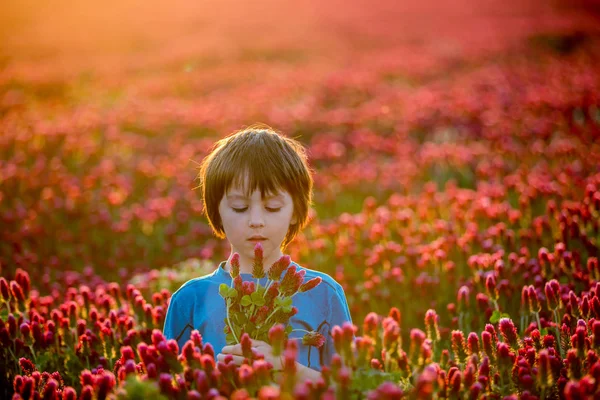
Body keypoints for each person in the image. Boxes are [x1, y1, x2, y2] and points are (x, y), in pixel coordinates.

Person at [163, 124, 353, 383]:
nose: (256, 221)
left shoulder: (324, 295)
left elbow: (350, 389)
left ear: (297, 211)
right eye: (239, 207)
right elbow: (166, 386)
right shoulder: (189, 300)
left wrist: (288, 370)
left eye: (272, 207)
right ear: (216, 211)